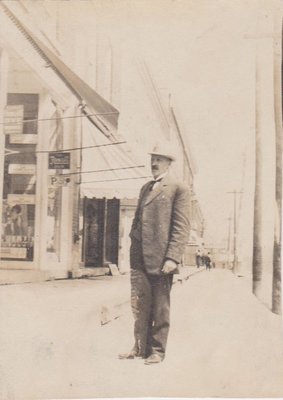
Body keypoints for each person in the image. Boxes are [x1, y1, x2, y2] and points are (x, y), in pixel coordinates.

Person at [119, 143, 190, 365]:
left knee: (160, 305)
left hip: (161, 258)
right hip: (139, 255)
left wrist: (172, 257)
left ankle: (157, 351)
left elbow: (181, 227)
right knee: (140, 303)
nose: (154, 163)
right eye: (153, 158)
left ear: (169, 163)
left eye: (160, 159)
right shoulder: (146, 187)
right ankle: (140, 347)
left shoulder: (178, 188)